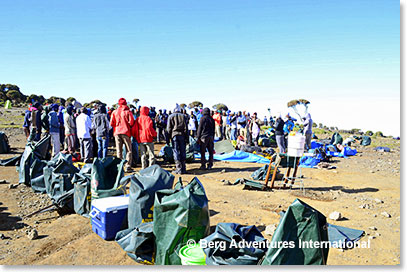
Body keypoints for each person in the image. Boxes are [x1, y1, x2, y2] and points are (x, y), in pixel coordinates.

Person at [110, 98, 135, 172]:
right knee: (129, 150)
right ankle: (127, 166)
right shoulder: (128, 112)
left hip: (117, 132)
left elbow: (111, 123)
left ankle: (119, 166)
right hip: (126, 132)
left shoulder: (114, 112)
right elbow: (131, 122)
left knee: (119, 150)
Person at [167, 104, 188, 174]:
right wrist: (187, 138)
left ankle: (178, 168)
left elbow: (168, 129)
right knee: (183, 151)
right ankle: (184, 168)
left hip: (174, 136)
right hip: (182, 135)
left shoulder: (170, 116)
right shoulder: (184, 116)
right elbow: (186, 128)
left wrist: (168, 139)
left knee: (176, 151)